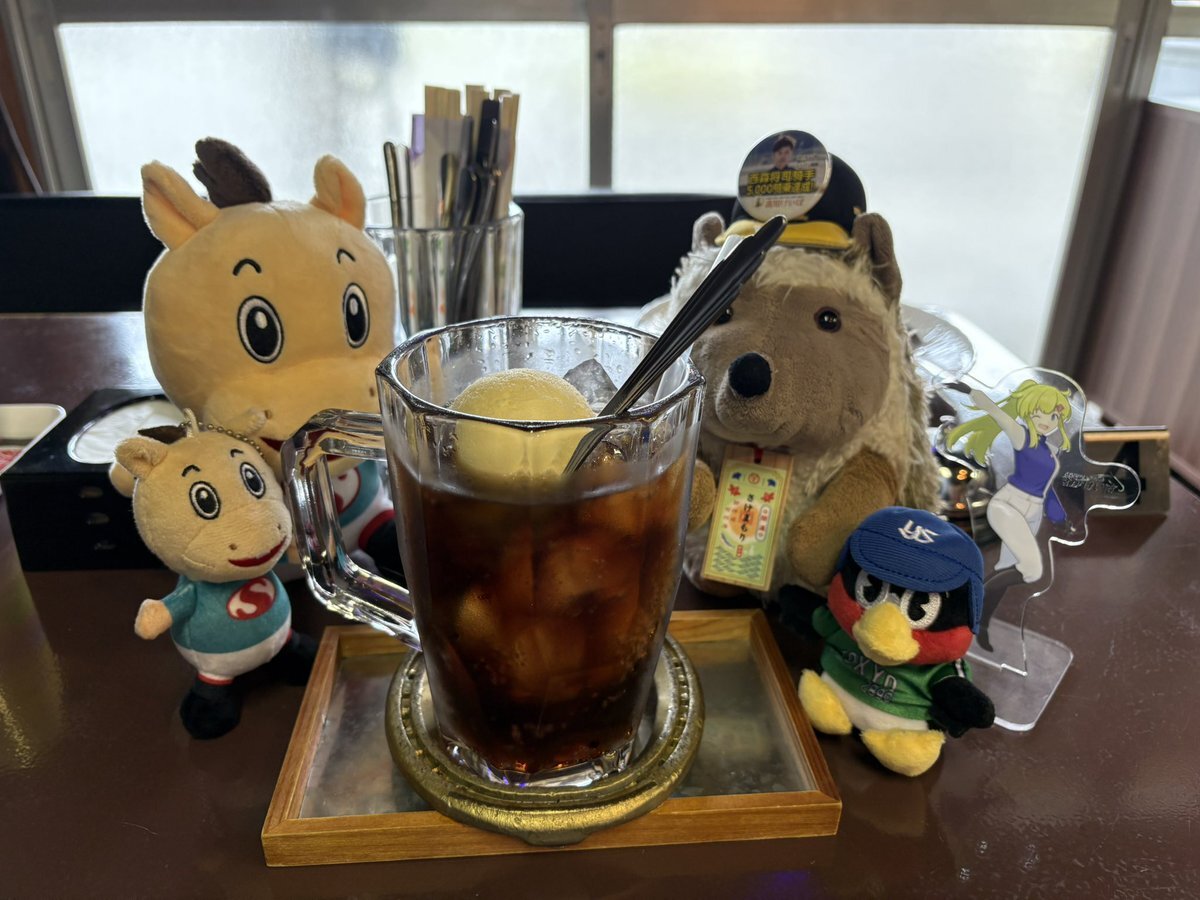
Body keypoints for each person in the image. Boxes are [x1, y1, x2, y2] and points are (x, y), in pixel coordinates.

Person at [945, 379, 1073, 650]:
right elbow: (997, 413)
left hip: (1032, 512)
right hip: (1009, 505)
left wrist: (1061, 519)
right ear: (1028, 412)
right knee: (1032, 569)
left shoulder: (1051, 452)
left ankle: (980, 625)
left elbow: (1048, 490)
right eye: (1040, 414)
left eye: (1053, 416)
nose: (1046, 421)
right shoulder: (1021, 436)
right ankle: (966, 607)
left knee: (1006, 570)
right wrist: (971, 391)